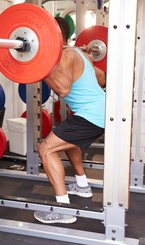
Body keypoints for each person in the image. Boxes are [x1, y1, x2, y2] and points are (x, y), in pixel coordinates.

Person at [34, 17, 106, 224]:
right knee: (66, 139)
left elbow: (63, 88)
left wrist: (40, 65)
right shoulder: (77, 53)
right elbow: (100, 79)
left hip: (91, 115)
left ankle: (63, 209)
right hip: (97, 111)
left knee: (46, 149)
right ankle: (82, 185)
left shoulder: (66, 55)